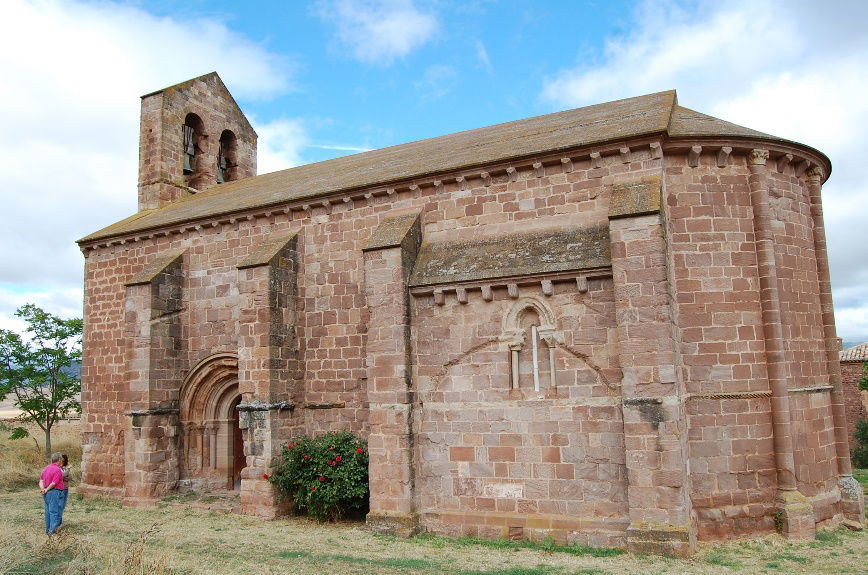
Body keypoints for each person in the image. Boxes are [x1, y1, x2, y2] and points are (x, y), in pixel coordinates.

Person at [38, 452, 65, 536]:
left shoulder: (46, 468)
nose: (62, 461)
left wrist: (43, 489)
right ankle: (52, 531)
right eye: (61, 459)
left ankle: (48, 529)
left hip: (46, 493)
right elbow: (54, 483)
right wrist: (47, 489)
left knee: (48, 511)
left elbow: (41, 481)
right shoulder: (57, 470)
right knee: (54, 511)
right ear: (59, 459)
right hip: (54, 492)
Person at [57, 454, 71, 523]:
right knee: (60, 505)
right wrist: (68, 470)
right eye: (61, 461)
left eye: (63, 461)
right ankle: (58, 522)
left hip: (66, 488)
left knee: (63, 506)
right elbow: (61, 476)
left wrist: (64, 476)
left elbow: (70, 477)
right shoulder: (57, 468)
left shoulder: (64, 468)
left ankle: (59, 521)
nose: (62, 462)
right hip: (61, 488)